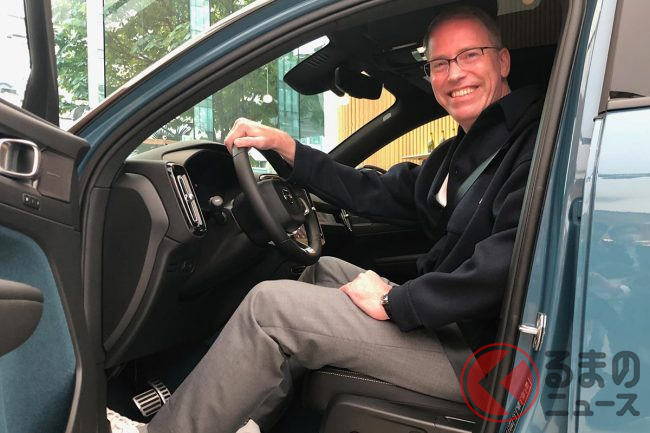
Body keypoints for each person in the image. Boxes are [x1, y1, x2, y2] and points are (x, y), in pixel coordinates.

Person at [118, 5, 545, 433]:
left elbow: (505, 266)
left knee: (269, 307)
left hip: (482, 356)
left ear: (502, 61)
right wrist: (288, 150)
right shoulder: (463, 151)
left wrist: (397, 302)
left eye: (470, 55)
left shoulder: (535, 148)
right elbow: (375, 192)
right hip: (454, 325)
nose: (455, 73)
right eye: (440, 63)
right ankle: (247, 419)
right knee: (323, 270)